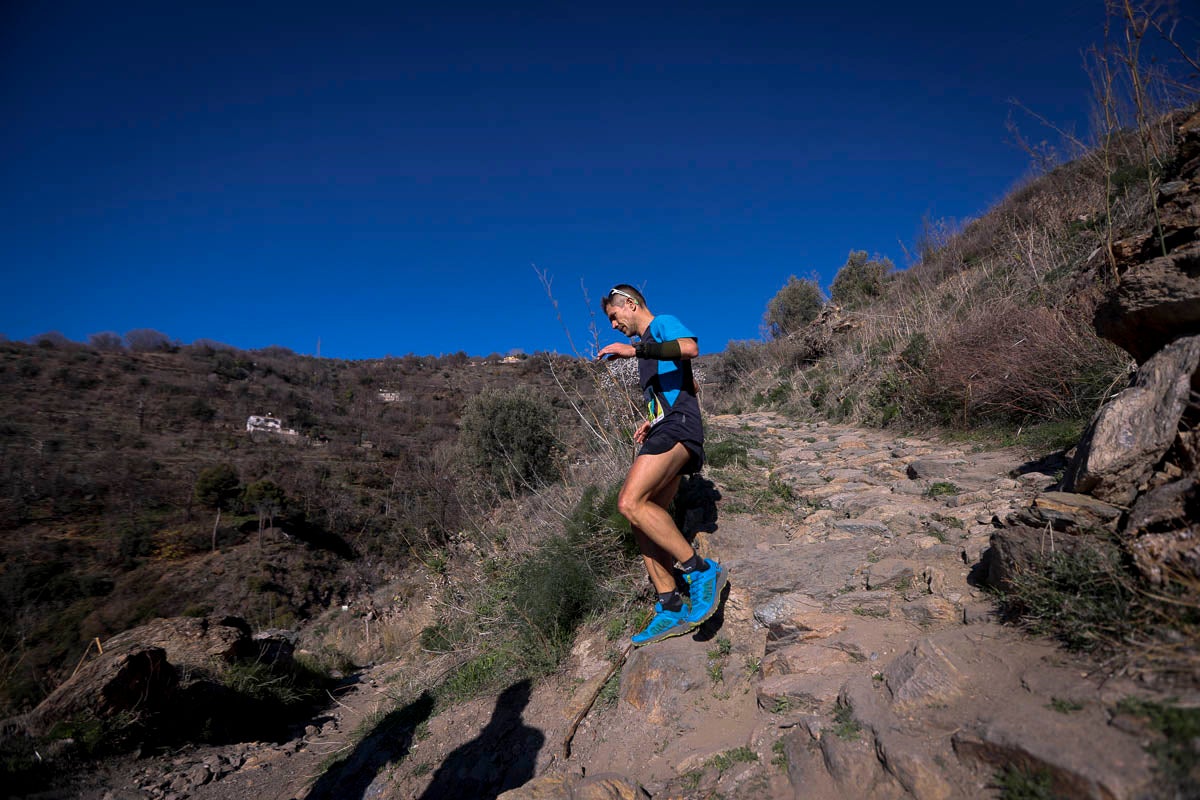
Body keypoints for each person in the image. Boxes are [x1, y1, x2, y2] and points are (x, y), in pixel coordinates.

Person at [597, 285, 727, 646]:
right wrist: (651, 420)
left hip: (678, 428)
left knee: (629, 501)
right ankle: (670, 604)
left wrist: (634, 350)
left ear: (631, 304)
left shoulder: (661, 325)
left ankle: (701, 570)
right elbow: (687, 386)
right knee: (641, 513)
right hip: (666, 425)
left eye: (614, 316)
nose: (614, 325)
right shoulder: (648, 350)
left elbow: (690, 348)